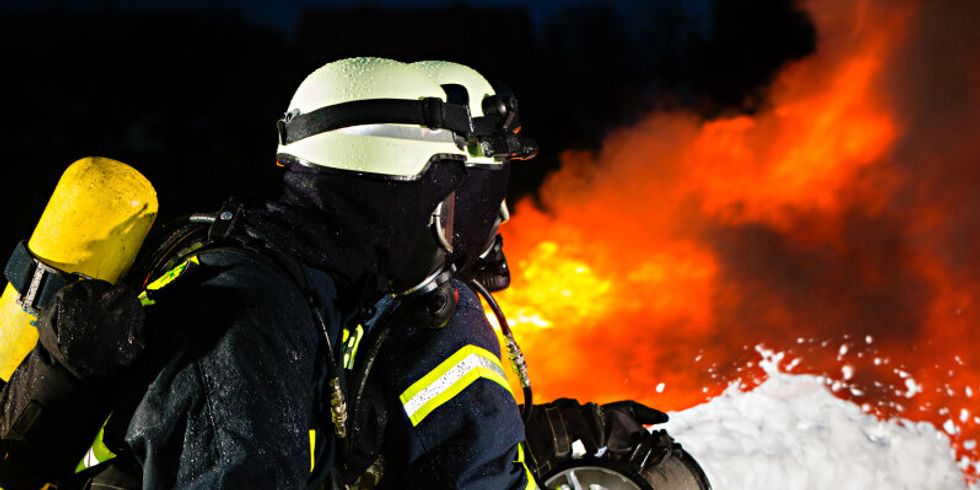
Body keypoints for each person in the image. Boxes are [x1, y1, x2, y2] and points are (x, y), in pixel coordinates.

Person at [0, 57, 539, 489]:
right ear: (388, 196)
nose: (443, 220)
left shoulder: (313, 291)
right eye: (438, 194)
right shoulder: (246, 323)